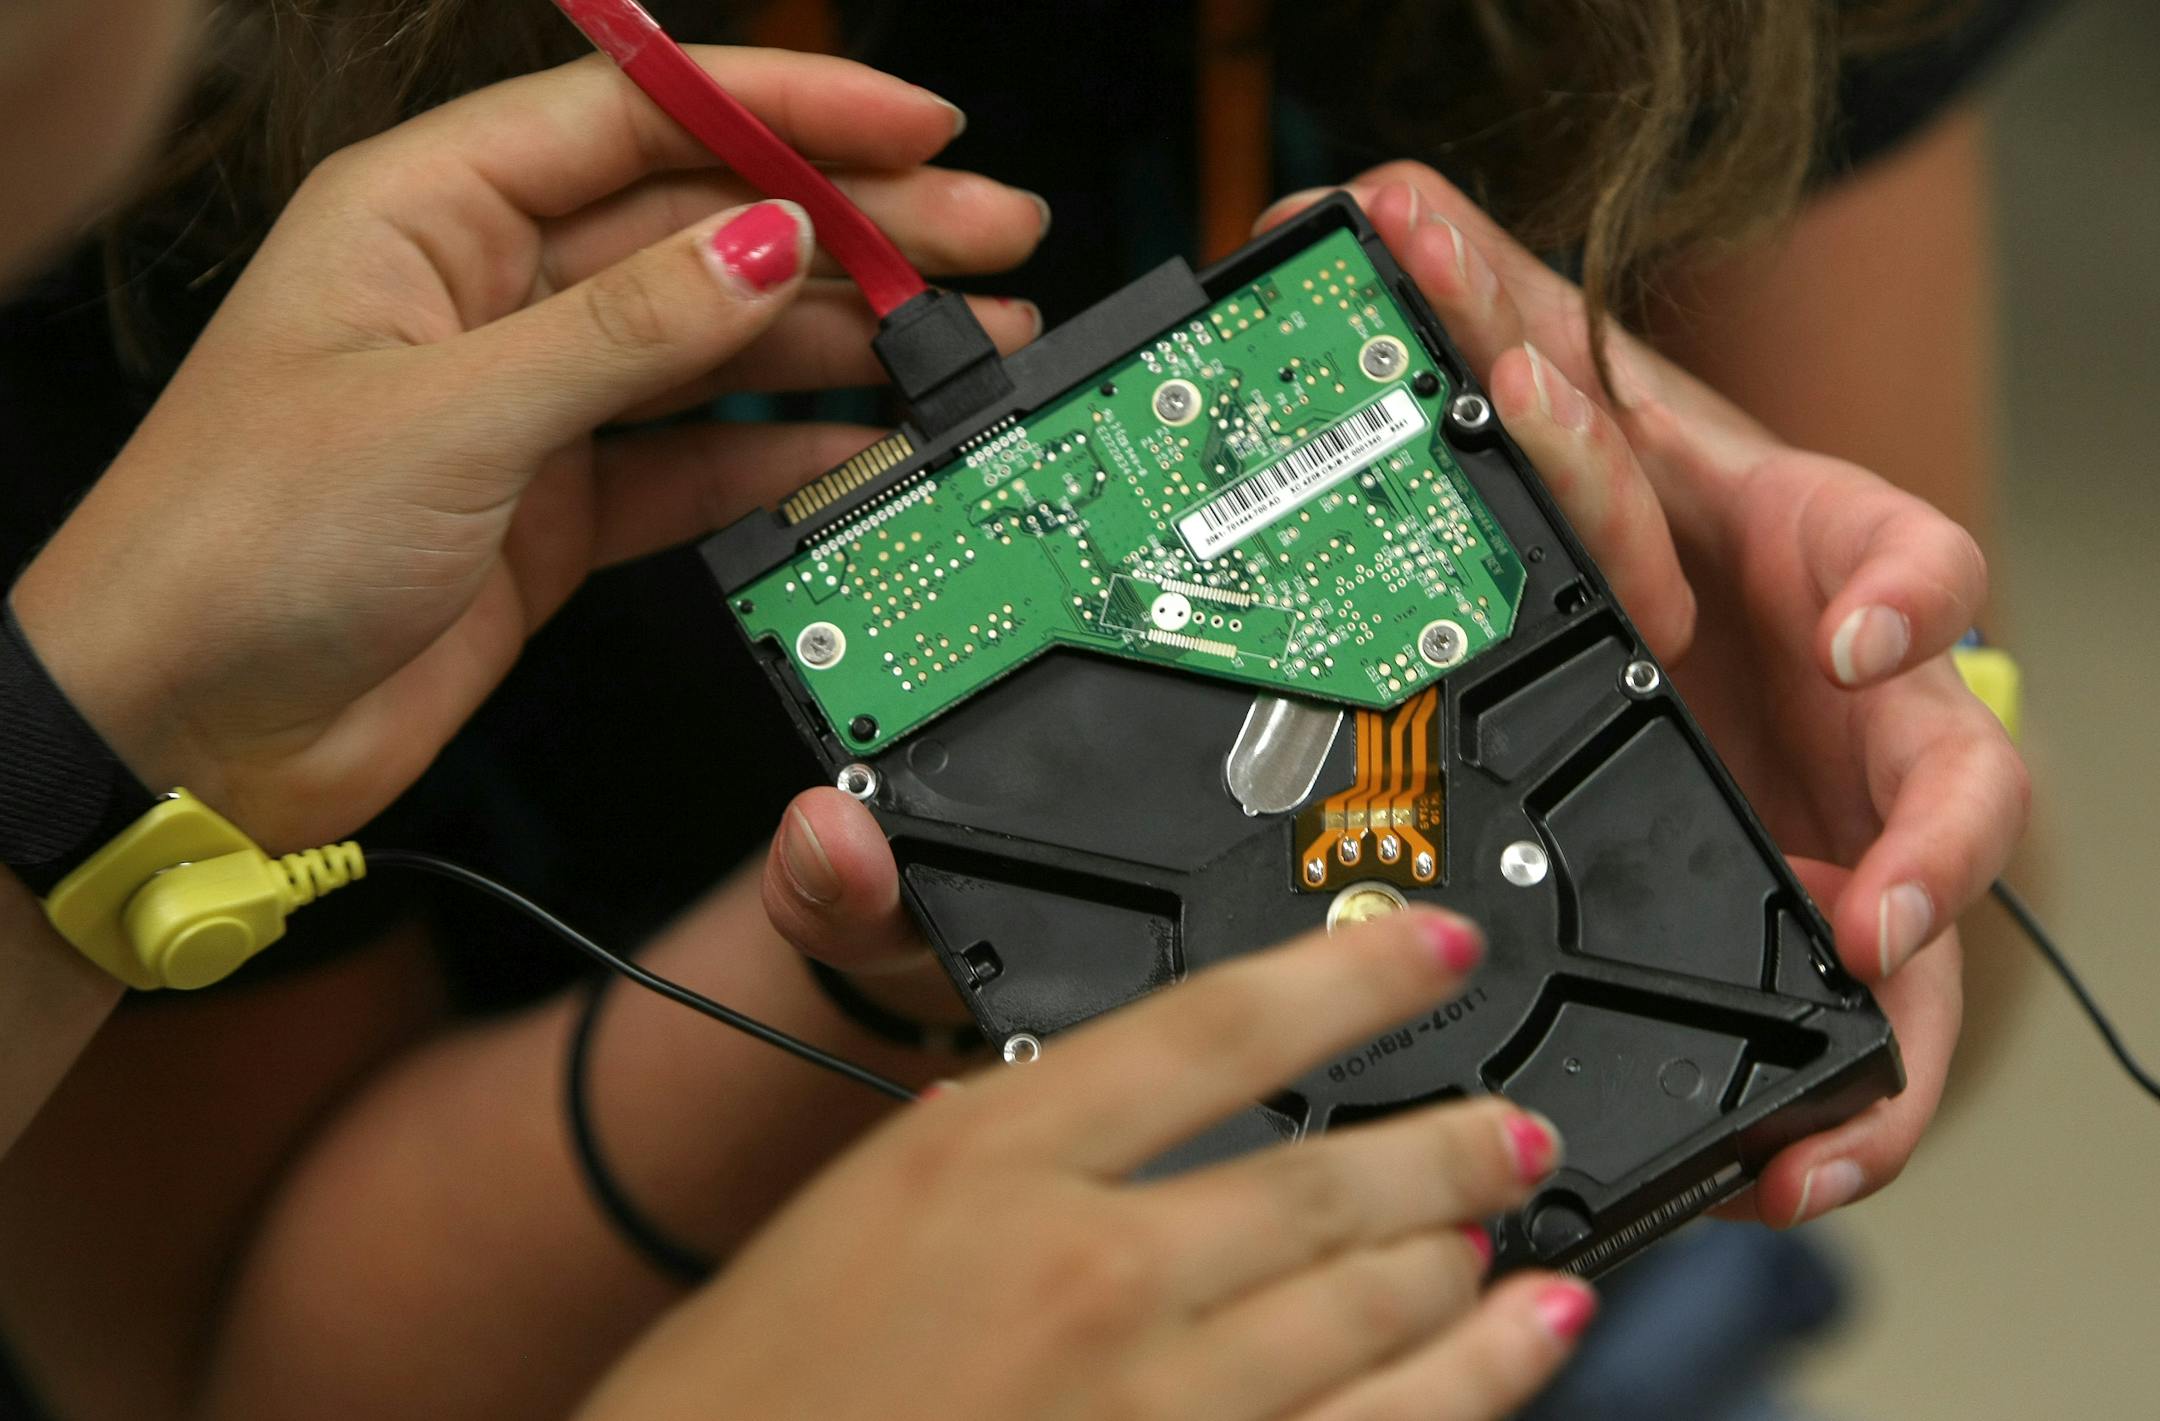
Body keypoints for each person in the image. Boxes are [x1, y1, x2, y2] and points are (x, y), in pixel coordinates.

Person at [0, 3, 2028, 1419]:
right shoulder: (138, 166)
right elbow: (211, 1371)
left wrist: (1810, 778)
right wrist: (860, 1000)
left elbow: (1914, 1003)